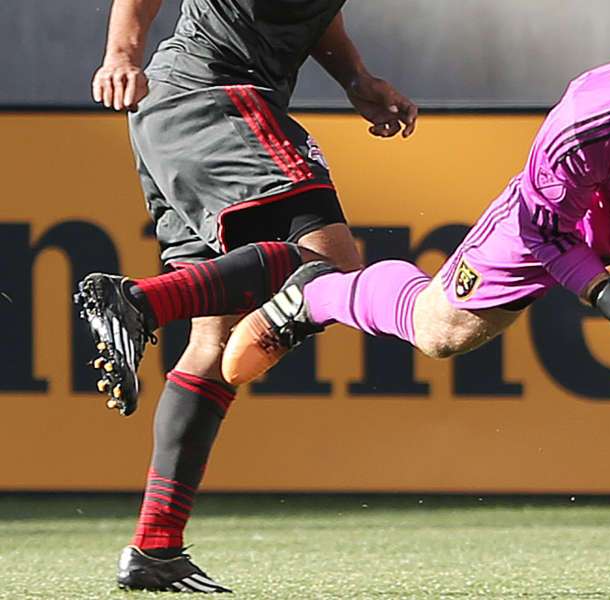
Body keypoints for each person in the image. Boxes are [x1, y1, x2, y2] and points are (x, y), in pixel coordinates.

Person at [223, 23, 610, 452]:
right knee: (441, 332)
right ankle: (316, 296)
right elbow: (542, 227)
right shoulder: (590, 122)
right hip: (579, 215)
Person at [76, 0, 417, 592]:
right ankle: (142, 304)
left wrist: (356, 77)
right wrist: (121, 54)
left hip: (176, 112)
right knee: (333, 267)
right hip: (216, 96)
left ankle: (156, 548)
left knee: (214, 340)